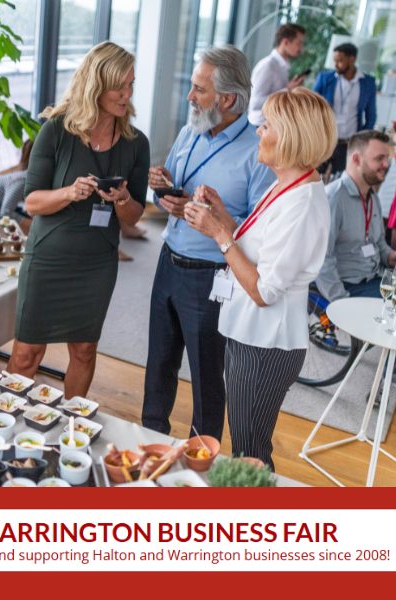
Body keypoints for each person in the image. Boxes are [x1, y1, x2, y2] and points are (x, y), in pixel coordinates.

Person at [184, 88, 336, 468]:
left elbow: (265, 291)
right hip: (251, 335)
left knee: (250, 451)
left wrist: (220, 235)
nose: (258, 131)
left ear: (290, 136)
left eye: (266, 125)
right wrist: (222, 216)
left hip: (265, 344)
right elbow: (261, 247)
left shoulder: (302, 204)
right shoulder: (287, 183)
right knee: (246, 443)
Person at [142, 46, 275, 439]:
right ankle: (149, 441)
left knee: (206, 378)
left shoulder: (258, 152)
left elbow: (258, 233)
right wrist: (162, 191)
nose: (190, 97)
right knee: (158, 365)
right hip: (168, 263)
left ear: (228, 99)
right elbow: (169, 200)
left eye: (199, 89)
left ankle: (202, 458)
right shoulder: (190, 132)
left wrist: (212, 219)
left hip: (212, 278)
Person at [7, 42, 149, 399]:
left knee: (84, 351)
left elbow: (135, 215)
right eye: (119, 87)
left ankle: (72, 422)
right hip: (48, 259)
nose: (127, 94)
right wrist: (69, 193)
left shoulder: (136, 144)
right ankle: (6, 422)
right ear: (96, 85)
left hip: (97, 263)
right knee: (26, 354)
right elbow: (32, 202)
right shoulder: (55, 131)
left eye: (131, 85)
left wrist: (122, 199)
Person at [316, 130, 394, 301]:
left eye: (387, 159)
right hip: (349, 287)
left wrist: (390, 256)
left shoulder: (373, 198)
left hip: (375, 278)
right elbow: (322, 261)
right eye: (379, 159)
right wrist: (342, 302)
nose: (386, 164)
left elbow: (379, 243)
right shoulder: (333, 198)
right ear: (357, 159)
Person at [314, 42, 377, 176]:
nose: (336, 65)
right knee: (312, 176)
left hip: (348, 144)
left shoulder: (368, 82)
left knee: (340, 180)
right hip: (324, 140)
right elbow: (311, 105)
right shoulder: (325, 78)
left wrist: (362, 139)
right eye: (335, 61)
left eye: (340, 61)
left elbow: (371, 115)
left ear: (352, 59)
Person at [248, 23, 307, 126]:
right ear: (285, 42)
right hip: (259, 126)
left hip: (271, 126)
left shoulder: (282, 66)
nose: (301, 49)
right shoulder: (268, 66)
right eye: (299, 44)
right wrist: (287, 90)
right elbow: (255, 103)